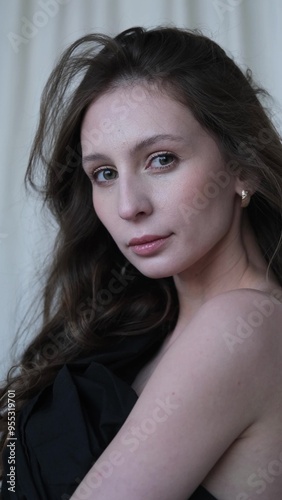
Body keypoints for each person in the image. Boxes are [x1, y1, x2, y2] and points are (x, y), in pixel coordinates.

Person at [0, 25, 282, 500]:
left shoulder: (245, 325)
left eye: (161, 159)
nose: (129, 205)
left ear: (243, 166)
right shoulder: (140, 323)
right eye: (104, 174)